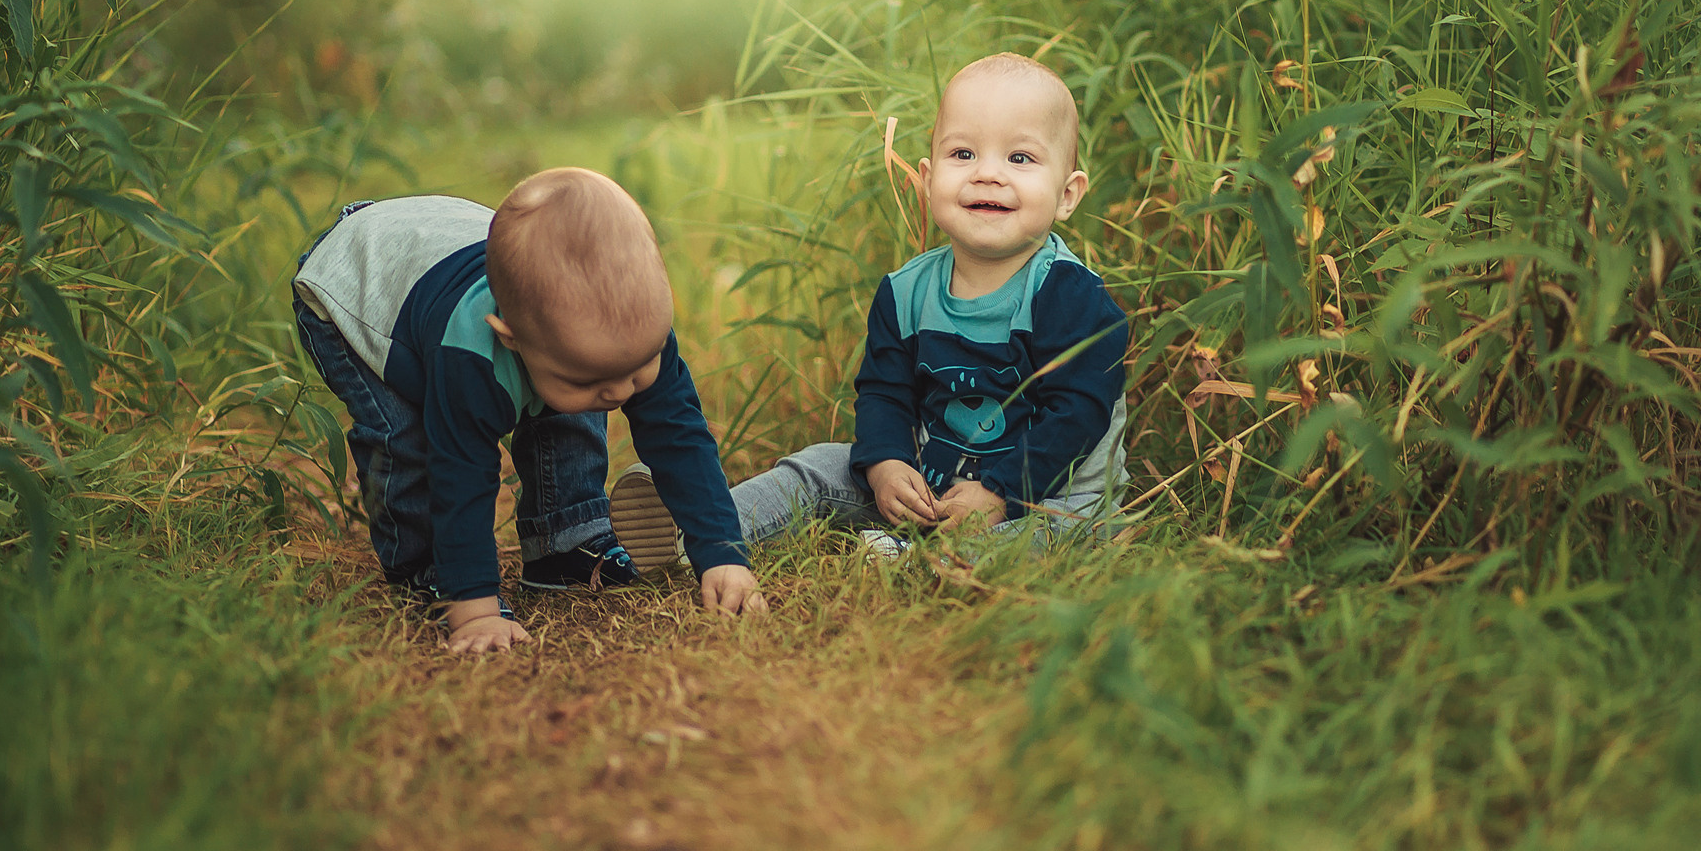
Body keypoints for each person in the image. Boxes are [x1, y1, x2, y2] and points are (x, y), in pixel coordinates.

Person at [292, 168, 764, 653]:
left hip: (445, 239)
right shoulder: (469, 358)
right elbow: (462, 476)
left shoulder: (629, 327)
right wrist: (476, 610)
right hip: (357, 287)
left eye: (640, 366)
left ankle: (566, 539)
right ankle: (428, 573)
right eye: (593, 377)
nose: (623, 391)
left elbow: (680, 438)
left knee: (567, 402)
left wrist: (723, 555)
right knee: (406, 437)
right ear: (509, 338)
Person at [730, 53, 1129, 552]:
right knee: (815, 467)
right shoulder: (905, 292)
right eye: (963, 154)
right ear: (927, 176)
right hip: (930, 478)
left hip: (1050, 495)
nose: (987, 174)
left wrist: (1001, 493)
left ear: (1067, 194)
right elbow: (883, 391)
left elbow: (1078, 415)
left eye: (1019, 158)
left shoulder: (1071, 296)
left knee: (1065, 533)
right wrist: (887, 464)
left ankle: (920, 560)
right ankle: (704, 529)